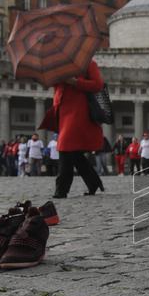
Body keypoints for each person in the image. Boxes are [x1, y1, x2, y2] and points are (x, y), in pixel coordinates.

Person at [53, 59, 106, 197]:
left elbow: (98, 85)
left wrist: (74, 82)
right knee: (75, 153)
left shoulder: (88, 63)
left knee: (65, 147)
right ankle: (93, 182)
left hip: (78, 112)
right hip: (63, 111)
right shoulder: (60, 65)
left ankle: (61, 190)